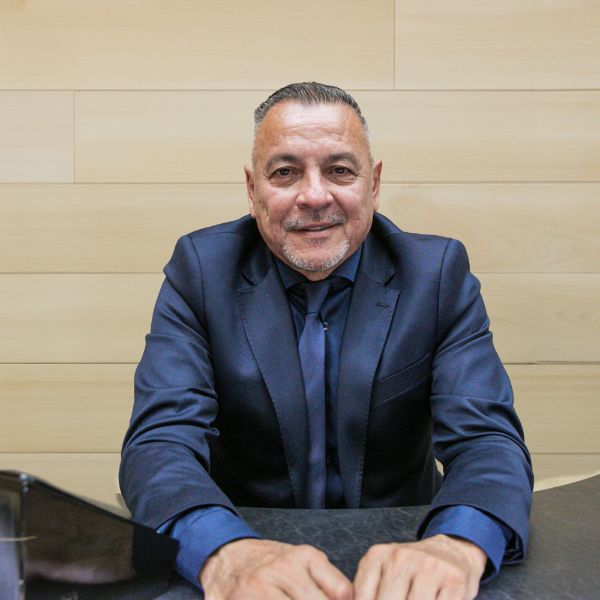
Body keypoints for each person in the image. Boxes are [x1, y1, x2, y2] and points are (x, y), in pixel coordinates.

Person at [120, 82, 533, 600]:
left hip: (404, 559)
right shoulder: (201, 271)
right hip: (247, 553)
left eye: (339, 170)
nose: (314, 196)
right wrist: (222, 552)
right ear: (252, 188)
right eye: (285, 172)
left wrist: (457, 544)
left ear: (373, 184)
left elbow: (487, 441)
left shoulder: (436, 275)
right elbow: (159, 442)